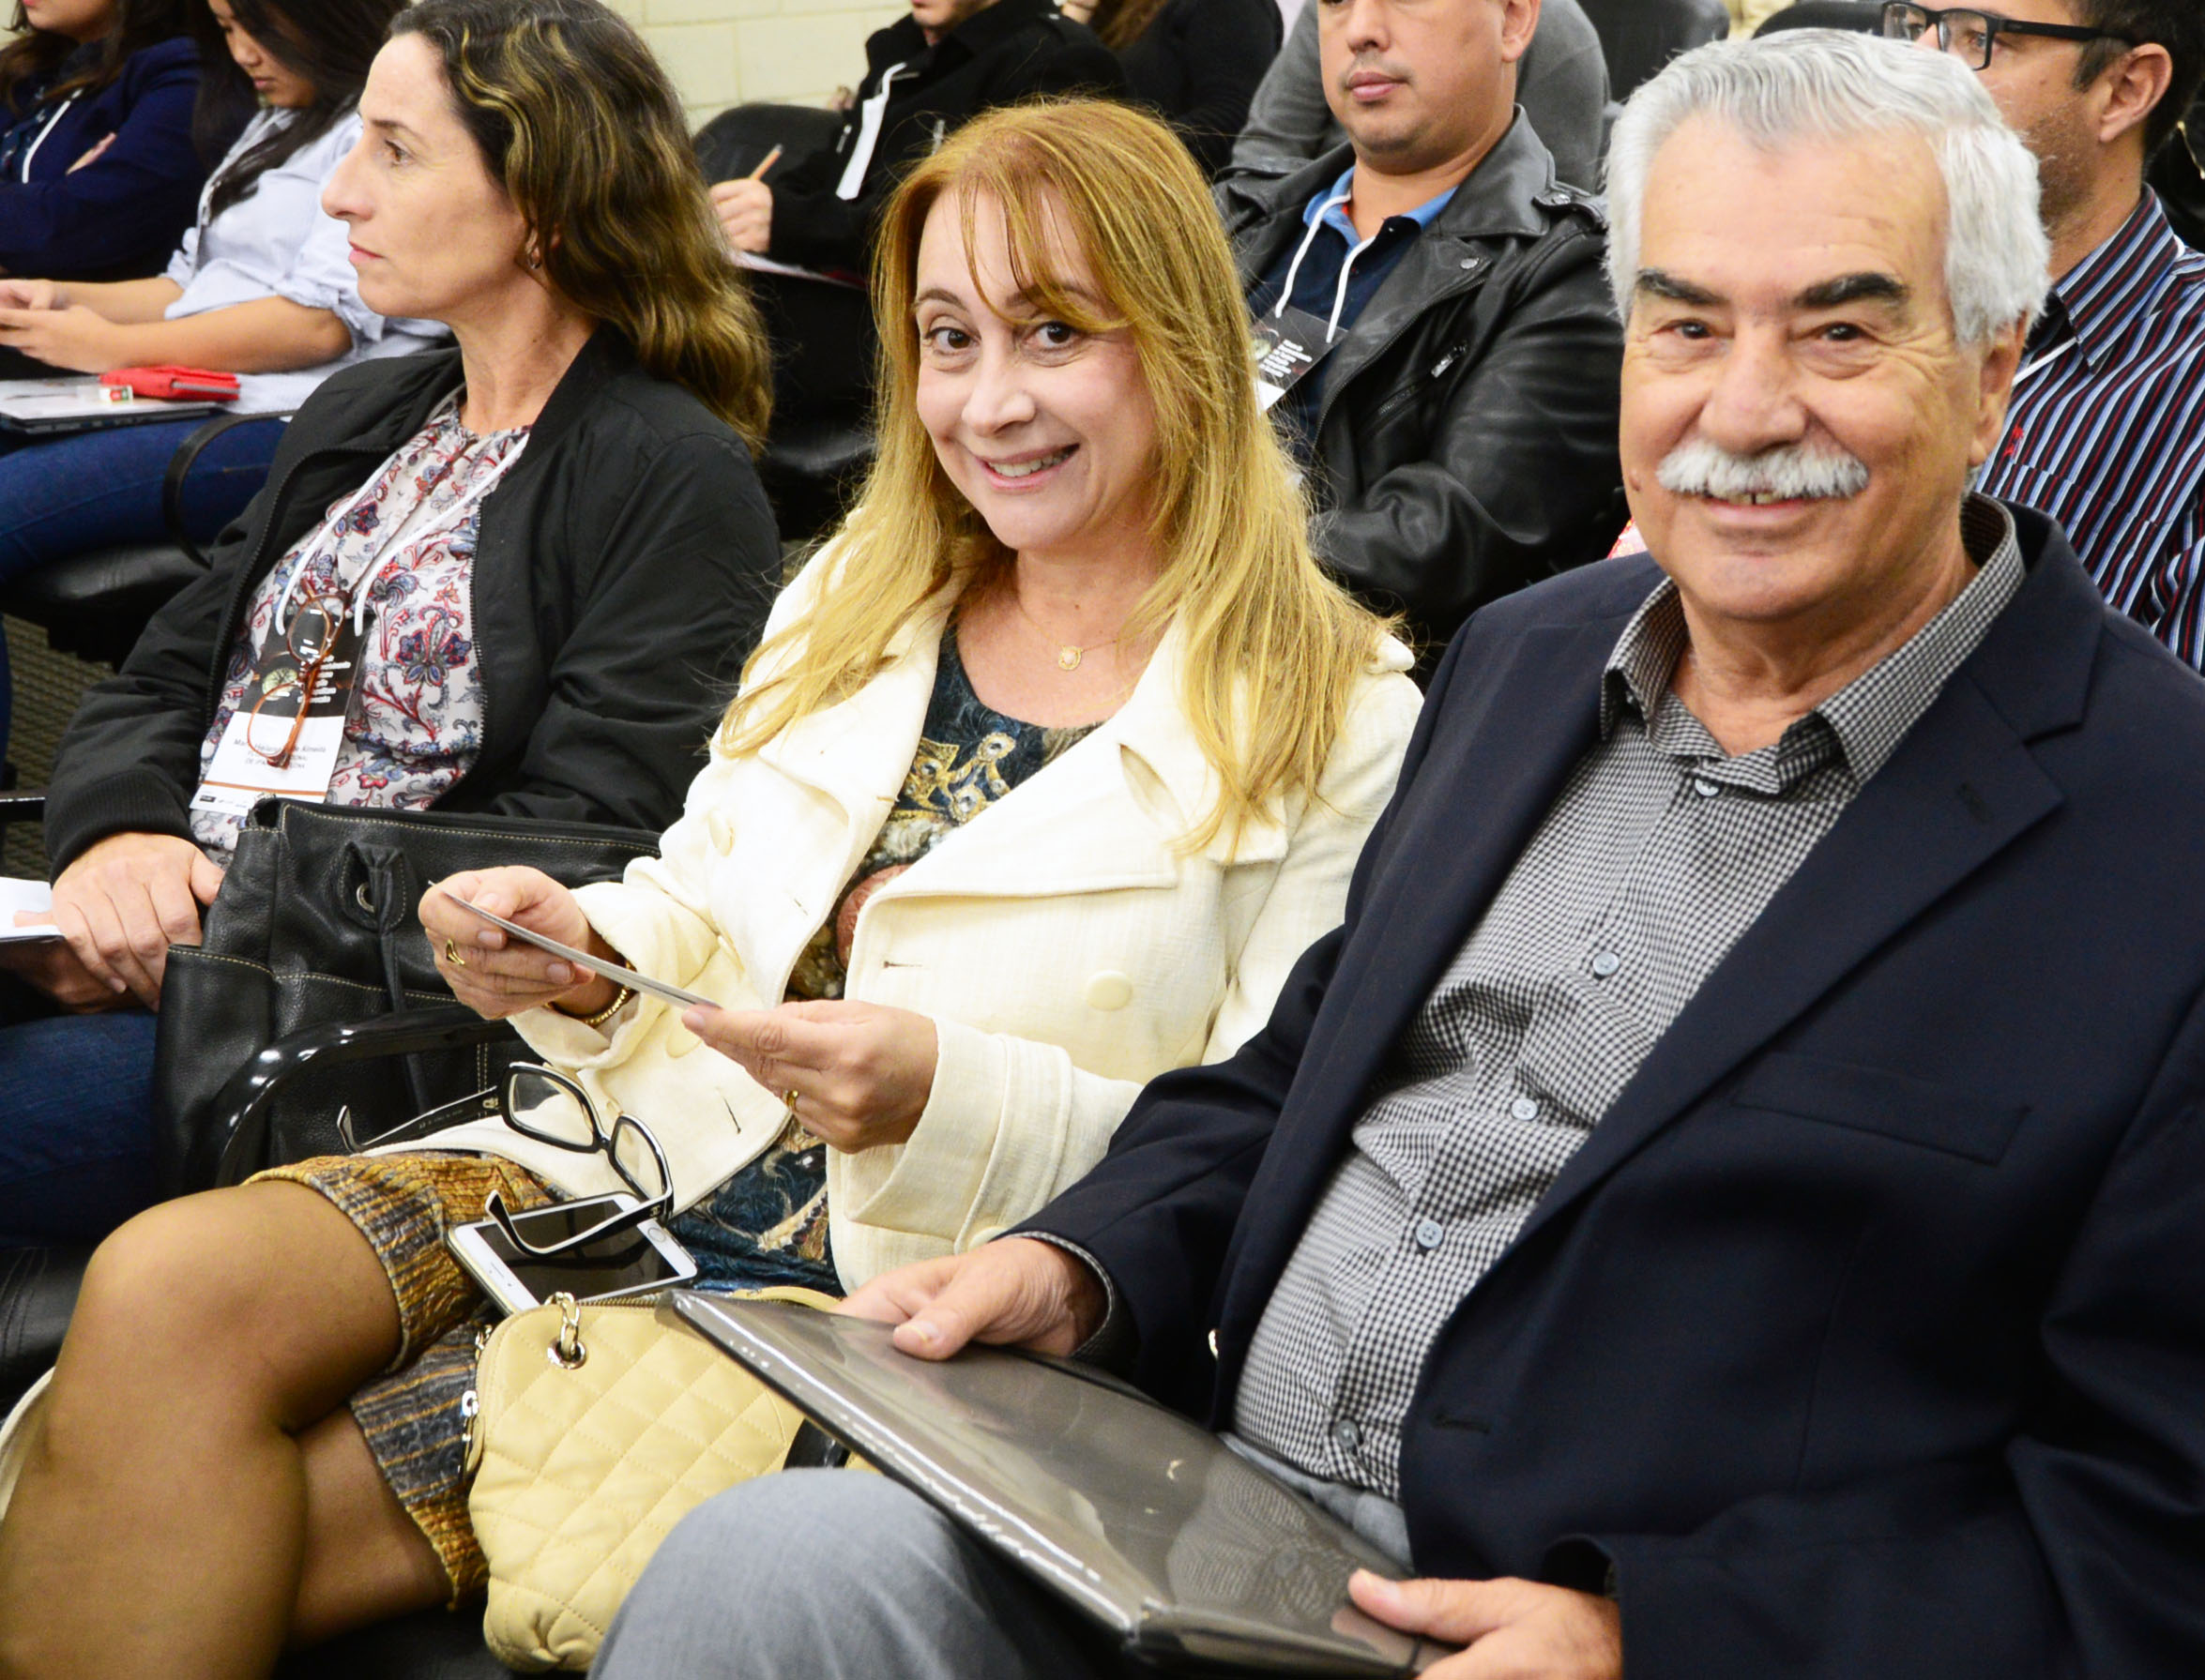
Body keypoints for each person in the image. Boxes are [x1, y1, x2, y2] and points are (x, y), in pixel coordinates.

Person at [597, 32, 2205, 1680]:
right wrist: (1086, 1263)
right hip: (1181, 1538)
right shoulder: (1526, 665)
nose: (1741, 409)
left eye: (1839, 334)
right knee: (766, 1571)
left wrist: (1648, 1642)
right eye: (1682, 326)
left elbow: (2181, 1552)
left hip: (1597, 1639)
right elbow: (1292, 1083)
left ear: (1992, 369)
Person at [0, 97, 1420, 1673]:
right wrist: (586, 947)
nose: (989, 400)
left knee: (211, 1524)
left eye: (1052, 334)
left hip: (863, 1277)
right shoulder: (865, 591)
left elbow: (1258, 1145)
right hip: (620, 1157)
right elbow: (700, 891)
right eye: (947, 340)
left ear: (1181, 345)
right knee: (165, 1281)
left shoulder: (1333, 710)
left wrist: (942, 1093)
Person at [0, 0, 781, 1256]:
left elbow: (588, 843)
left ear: (545, 201)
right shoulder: (366, 415)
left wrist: (205, 931)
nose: (340, 194)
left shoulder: (668, 475)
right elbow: (162, 680)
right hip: (157, 947)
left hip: (344, 1033)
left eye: (395, 152)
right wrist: (116, 842)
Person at [1885, 0, 2205, 742]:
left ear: (2124, 89)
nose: (1918, 67)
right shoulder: (1843, 302)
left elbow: (2204, 762)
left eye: (1979, 38)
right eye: (1916, 26)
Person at [0, 0, 451, 752]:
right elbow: (187, 287)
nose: (242, 52)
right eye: (227, 28)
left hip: (288, 424)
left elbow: (319, 323)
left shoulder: (373, 135)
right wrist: (59, 298)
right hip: (196, 396)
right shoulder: (279, 120)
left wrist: (115, 348)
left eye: (256, 26)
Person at [1228, 0, 1623, 656]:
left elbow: (1438, 539)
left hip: (1345, 677)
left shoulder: (1574, 271)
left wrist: (1171, 551)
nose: (1361, 29)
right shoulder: (1235, 222)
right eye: (1335, 1)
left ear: (1512, 20)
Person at [707, 0, 1122, 424]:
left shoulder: (1051, 58)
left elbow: (984, 238)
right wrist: (766, 202)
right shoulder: (901, 49)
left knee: (708, 342)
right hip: (844, 308)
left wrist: (792, 222)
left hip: (921, 331)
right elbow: (842, 165)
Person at [1228, 0, 1609, 189]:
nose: (1359, 31)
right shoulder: (1343, 14)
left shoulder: (1561, 41)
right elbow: (1266, 150)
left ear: (1512, 18)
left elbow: (1551, 217)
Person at [0, 0, 224, 281]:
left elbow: (70, 229)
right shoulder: (26, 64)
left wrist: (45, 215)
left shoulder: (185, 74)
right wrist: (46, 200)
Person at [1063, 0, 1282, 174]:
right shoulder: (1121, 9)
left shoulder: (1230, 6)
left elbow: (1230, 118)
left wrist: (1112, 154)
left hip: (1168, 193)